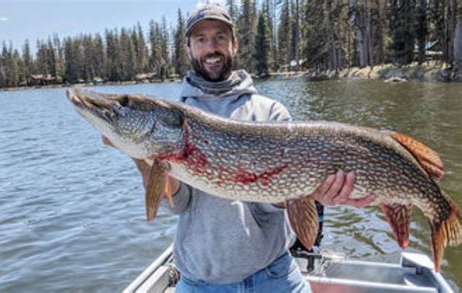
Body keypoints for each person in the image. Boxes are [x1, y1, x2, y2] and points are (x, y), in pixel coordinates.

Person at [105, 5, 375, 292]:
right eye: (201, 39)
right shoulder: (170, 119)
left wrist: (309, 190)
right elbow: (178, 204)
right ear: (188, 49)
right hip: (201, 281)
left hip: (274, 274)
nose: (211, 48)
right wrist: (140, 157)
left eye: (220, 37)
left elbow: (274, 205)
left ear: (234, 43)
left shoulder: (270, 113)